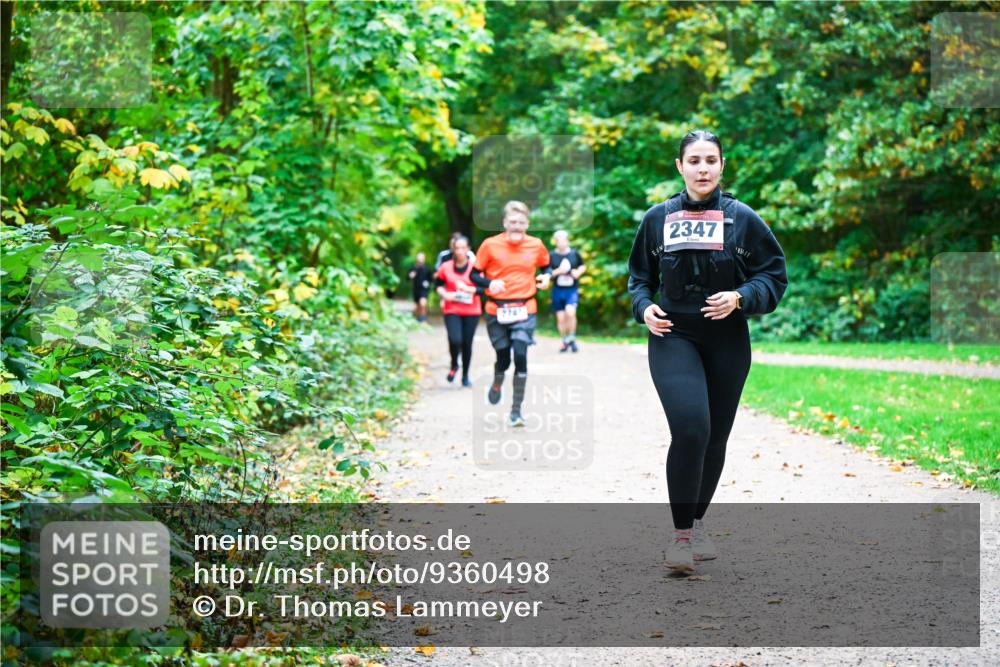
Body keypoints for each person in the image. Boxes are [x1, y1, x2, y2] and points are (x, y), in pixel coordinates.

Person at [627, 130, 787, 573]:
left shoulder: (743, 219)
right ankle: (680, 537)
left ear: (722, 165)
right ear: (680, 166)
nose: (702, 169)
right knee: (692, 428)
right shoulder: (657, 218)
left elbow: (773, 276)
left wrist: (740, 297)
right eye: (694, 161)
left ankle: (697, 523)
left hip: (727, 339)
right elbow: (639, 278)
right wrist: (644, 307)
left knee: (715, 436)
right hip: (673, 334)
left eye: (710, 160)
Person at [469, 200, 551, 427]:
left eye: (521, 222)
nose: (517, 226)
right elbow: (473, 275)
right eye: (513, 222)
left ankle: (516, 411)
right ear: (505, 222)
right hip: (496, 310)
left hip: (525, 308)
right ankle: (498, 380)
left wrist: (546, 276)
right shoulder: (490, 245)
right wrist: (489, 283)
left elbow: (547, 265)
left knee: (521, 355)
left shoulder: (536, 244)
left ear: (527, 224)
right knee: (504, 358)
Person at [434, 235, 482, 387]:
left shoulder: (476, 268)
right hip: (452, 309)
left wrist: (468, 289)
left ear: (468, 249)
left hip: (472, 311)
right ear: (453, 249)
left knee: (467, 343)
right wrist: (445, 294)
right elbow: (438, 284)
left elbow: (483, 289)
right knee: (455, 340)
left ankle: (465, 376)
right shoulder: (446, 266)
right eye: (457, 248)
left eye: (463, 248)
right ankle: (454, 364)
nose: (460, 251)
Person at [548, 230, 586, 353]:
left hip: (571, 289)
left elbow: (582, 266)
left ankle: (572, 337)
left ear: (567, 240)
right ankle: (565, 341)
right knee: (561, 318)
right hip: (557, 290)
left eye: (563, 240)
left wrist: (577, 272)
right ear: (555, 242)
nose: (561, 242)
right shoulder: (551, 255)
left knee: (570, 312)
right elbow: (547, 273)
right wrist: (559, 271)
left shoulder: (574, 253)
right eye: (559, 240)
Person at [407, 252, 431, 322]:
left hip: (424, 289)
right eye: (419, 258)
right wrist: (411, 276)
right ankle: (418, 319)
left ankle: (423, 319)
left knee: (423, 303)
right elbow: (408, 278)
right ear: (417, 259)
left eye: (422, 258)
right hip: (416, 289)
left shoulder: (427, 268)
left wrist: (428, 283)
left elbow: (431, 279)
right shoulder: (413, 268)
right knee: (417, 306)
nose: (421, 260)